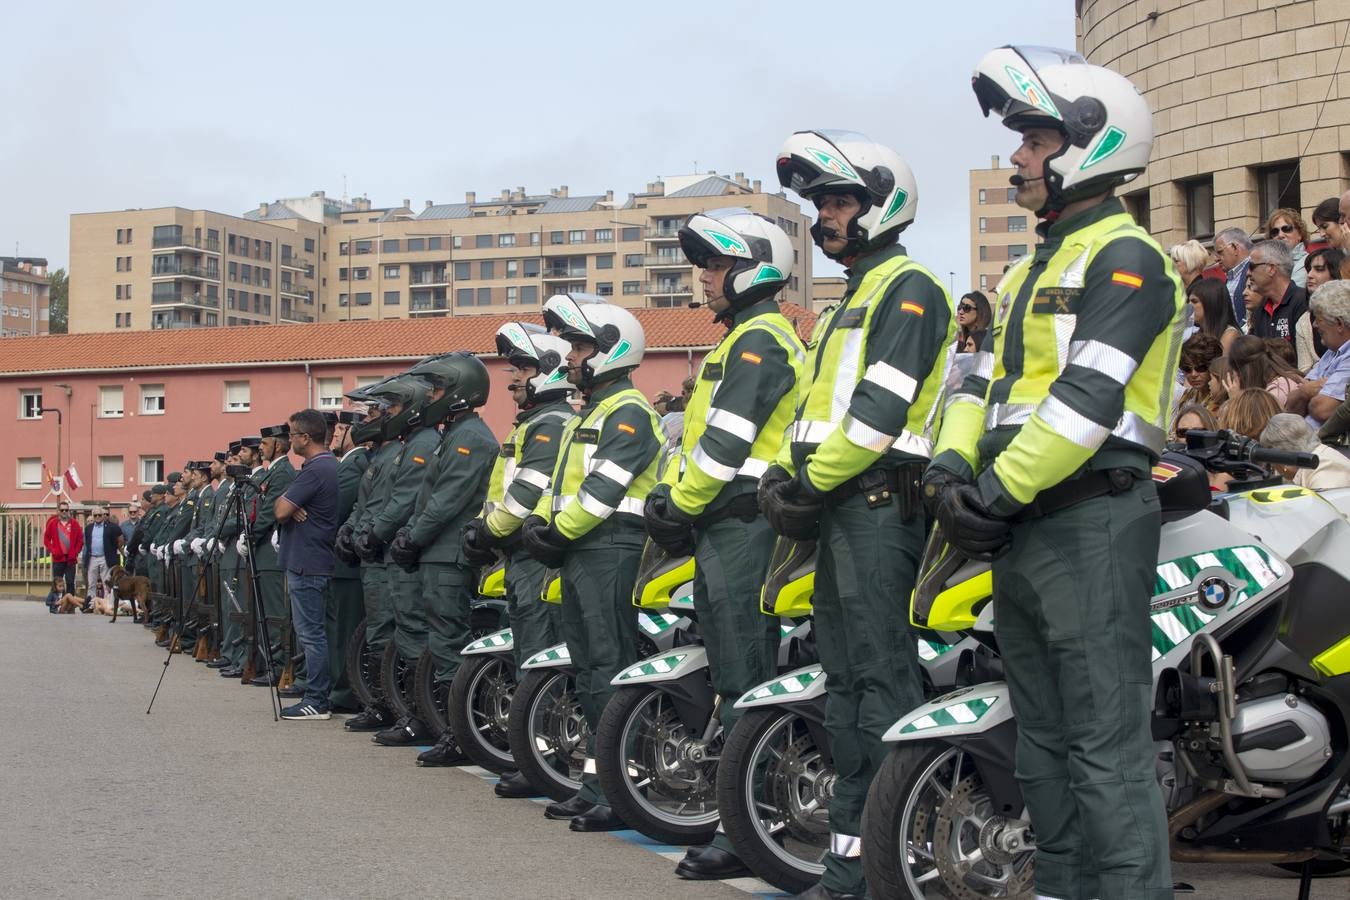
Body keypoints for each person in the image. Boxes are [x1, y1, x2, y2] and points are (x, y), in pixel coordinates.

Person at [929, 46, 1183, 900]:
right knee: (1040, 741)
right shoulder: (1031, 266)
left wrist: (992, 493)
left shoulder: (1129, 257)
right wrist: (949, 470)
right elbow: (986, 388)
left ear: (1088, 142)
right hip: (1025, 523)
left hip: (1090, 517)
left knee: (1105, 745)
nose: (1017, 158)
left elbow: (1086, 398)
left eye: (1034, 139)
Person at [767, 128, 954, 900]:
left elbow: (878, 414)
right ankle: (850, 867)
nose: (826, 216)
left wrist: (805, 484)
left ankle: (904, 862)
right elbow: (809, 413)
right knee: (843, 687)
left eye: (840, 201)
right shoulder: (850, 301)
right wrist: (787, 474)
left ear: (884, 204)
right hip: (843, 511)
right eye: (819, 204)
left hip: (879, 507)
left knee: (881, 686)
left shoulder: (908, 289)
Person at [641, 208, 805, 882]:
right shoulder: (738, 341)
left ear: (754, 268)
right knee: (734, 680)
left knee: (747, 682)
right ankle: (744, 823)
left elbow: (726, 443)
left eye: (715, 265)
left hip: (743, 525)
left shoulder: (761, 341)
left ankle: (750, 835)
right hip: (721, 526)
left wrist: (676, 503)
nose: (703, 277)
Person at [520, 294, 662, 834]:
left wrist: (554, 532)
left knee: (608, 671)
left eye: (580, 345)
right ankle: (596, 784)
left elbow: (603, 490)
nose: (571, 356)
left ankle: (620, 791)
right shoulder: (594, 412)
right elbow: (565, 486)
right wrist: (543, 524)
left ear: (610, 349)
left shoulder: (628, 411)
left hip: (610, 547)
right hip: (582, 549)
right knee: (588, 674)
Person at [462, 322, 575, 796]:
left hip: (534, 556)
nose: (513, 378)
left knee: (541, 660)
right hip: (518, 554)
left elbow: (526, 493)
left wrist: (487, 531)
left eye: (524, 368)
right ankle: (537, 758)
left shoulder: (549, 423)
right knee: (531, 656)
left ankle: (545, 763)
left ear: (549, 370)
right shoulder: (533, 422)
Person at [389, 352, 496, 765]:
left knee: (449, 644)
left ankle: (461, 735)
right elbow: (427, 497)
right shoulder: (455, 433)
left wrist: (412, 537)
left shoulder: (470, 437)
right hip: (436, 551)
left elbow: (447, 500)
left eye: (436, 389)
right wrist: (410, 535)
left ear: (458, 392)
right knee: (440, 641)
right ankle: (453, 728)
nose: (430, 396)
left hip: (449, 554)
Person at [362, 375, 440, 747]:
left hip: (406, 549)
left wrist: (374, 532)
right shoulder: (411, 443)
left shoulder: (423, 443)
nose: (385, 414)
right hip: (395, 548)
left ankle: (419, 716)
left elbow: (406, 499)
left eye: (391, 407)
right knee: (403, 631)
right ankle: (406, 711)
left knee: (412, 633)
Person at [341, 379, 408, 733]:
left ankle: (390, 707)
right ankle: (380, 703)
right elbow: (364, 503)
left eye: (374, 411)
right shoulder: (380, 454)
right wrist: (350, 528)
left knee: (386, 632)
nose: (367, 418)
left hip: (385, 555)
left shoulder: (399, 451)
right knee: (378, 631)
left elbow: (390, 505)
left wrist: (368, 533)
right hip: (373, 555)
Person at [273, 409, 341, 720]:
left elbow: (281, 510)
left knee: (312, 635)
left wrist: (291, 503)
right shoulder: (323, 466)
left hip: (308, 563)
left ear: (306, 437)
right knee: (314, 633)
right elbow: (288, 508)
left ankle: (316, 699)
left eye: (292, 435)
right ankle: (317, 694)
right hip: (311, 560)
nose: (290, 440)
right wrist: (292, 504)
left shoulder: (317, 469)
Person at [325, 410, 371, 713]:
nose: (336, 433)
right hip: (338, 561)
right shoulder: (347, 463)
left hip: (347, 563)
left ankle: (345, 692)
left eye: (342, 428)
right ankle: (337, 686)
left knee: (345, 632)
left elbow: (335, 507)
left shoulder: (355, 464)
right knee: (337, 630)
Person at [245, 425, 296, 685]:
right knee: (265, 611)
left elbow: (269, 510)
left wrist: (250, 533)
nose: (260, 448)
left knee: (276, 613)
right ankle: (269, 663)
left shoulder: (282, 472)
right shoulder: (272, 471)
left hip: (270, 551)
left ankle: (277, 667)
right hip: (262, 550)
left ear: (277, 445)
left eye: (264, 444)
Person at [1286, 280, 1350, 428]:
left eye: (1318, 319)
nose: (1314, 325)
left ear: (1339, 324)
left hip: (1331, 446)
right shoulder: (1331, 353)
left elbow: (1322, 409)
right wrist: (1306, 391)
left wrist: (1306, 391)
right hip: (1305, 440)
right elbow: (1291, 406)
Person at [1259, 413, 1350, 490]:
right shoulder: (1311, 459)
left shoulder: (1325, 469)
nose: (1274, 468)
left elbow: (1324, 510)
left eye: (1272, 463)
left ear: (1283, 460)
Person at [1246, 238, 1308, 345]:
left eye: (1251, 266)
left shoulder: (1303, 302)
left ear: (1271, 269)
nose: (1248, 273)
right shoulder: (1260, 309)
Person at [1296, 247, 1345, 370]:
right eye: (1309, 270)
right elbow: (1305, 370)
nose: (1310, 275)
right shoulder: (1304, 322)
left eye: (1319, 269)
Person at [1226, 333, 1302, 406]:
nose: (1234, 375)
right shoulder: (1273, 384)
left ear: (1244, 371)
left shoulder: (1276, 393)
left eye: (1235, 371)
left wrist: (1236, 402)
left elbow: (1257, 418)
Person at [1187, 277, 1240, 352]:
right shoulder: (1195, 332)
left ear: (1211, 303)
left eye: (1194, 301)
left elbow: (1219, 363)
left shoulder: (1229, 335)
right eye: (1189, 302)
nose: (1189, 306)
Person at [1176, 333, 1223, 417]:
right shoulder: (1186, 396)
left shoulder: (1220, 401)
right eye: (1187, 369)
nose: (1193, 374)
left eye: (1200, 368)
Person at [1214, 227, 1253, 326]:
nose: (1216, 259)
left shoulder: (1254, 271)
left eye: (1220, 252)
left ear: (1235, 248)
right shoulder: (1230, 276)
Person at [82, 507, 119, 611]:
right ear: (93, 517)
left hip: (104, 557)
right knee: (91, 582)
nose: (97, 517)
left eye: (99, 515)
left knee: (106, 582)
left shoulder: (109, 527)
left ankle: (107, 603)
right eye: (95, 515)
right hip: (92, 557)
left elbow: (117, 541)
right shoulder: (88, 528)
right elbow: (86, 544)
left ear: (103, 516)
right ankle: (92, 604)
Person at [44, 500, 83, 598]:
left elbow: (80, 539)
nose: (64, 512)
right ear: (58, 511)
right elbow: (46, 539)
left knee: (70, 582)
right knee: (57, 583)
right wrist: (53, 550)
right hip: (58, 558)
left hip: (70, 558)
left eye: (66, 510)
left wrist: (76, 551)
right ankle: (56, 604)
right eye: (62, 510)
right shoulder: (53, 524)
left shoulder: (74, 524)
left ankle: (70, 605)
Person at [1266, 207, 1309, 288]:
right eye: (1275, 232)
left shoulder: (1307, 262)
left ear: (1300, 234)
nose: (1280, 235)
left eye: (1286, 229)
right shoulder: (1267, 264)